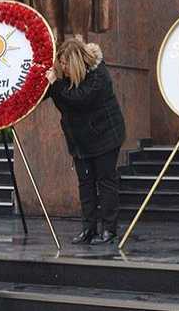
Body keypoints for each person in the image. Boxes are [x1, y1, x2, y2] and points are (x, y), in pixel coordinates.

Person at [45, 40, 125, 245]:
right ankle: (88, 229)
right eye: (60, 64)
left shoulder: (99, 76)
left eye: (64, 64)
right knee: (86, 184)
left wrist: (56, 84)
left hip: (105, 136)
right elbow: (65, 101)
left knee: (106, 181)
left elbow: (79, 99)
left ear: (74, 62)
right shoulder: (67, 81)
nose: (62, 68)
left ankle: (109, 230)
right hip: (81, 140)